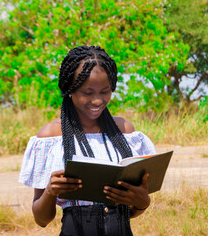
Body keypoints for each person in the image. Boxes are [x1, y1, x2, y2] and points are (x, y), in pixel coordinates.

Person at [19, 45, 156, 235]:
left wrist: (142, 202)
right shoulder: (50, 137)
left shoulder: (124, 132)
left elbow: (132, 211)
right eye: (87, 92)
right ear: (70, 89)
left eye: (105, 91)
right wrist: (50, 191)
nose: (98, 100)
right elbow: (41, 220)